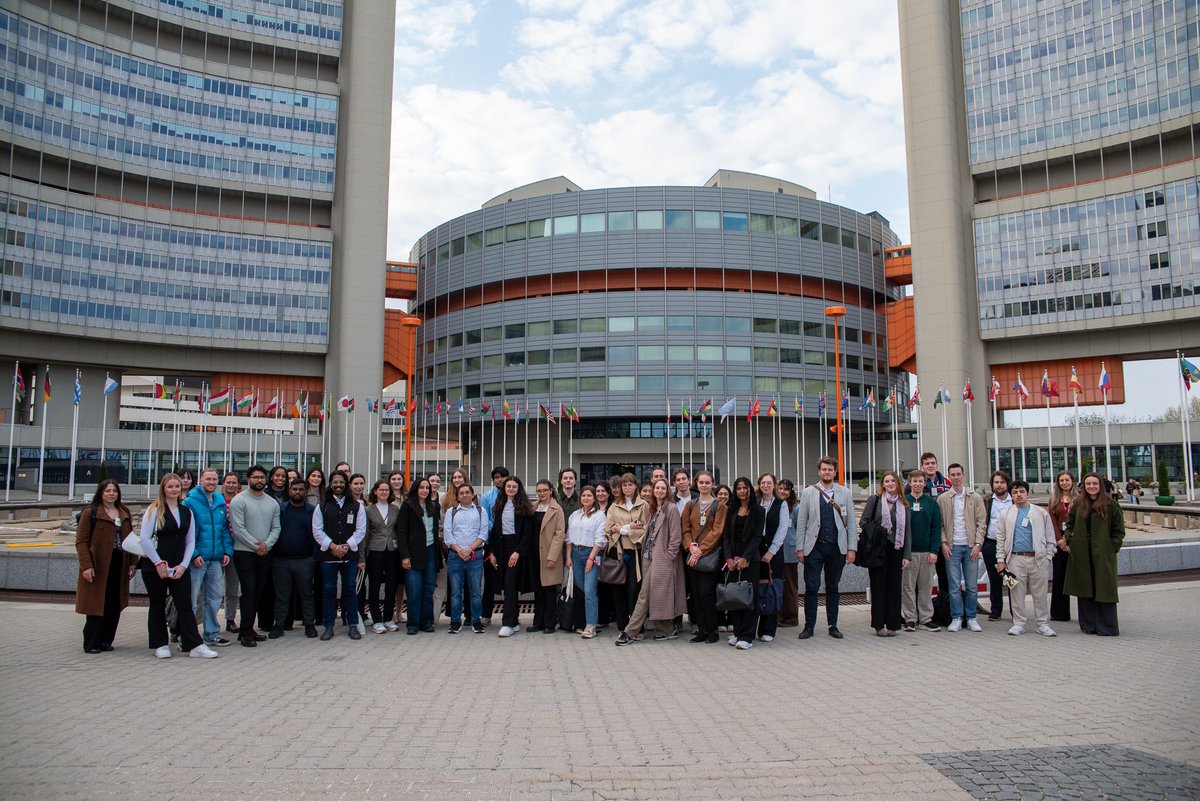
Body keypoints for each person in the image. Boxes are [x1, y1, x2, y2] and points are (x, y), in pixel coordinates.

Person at [138, 474, 218, 659]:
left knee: (185, 606)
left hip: (179, 566)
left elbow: (190, 541)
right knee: (157, 605)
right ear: (163, 489)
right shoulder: (154, 509)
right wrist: (158, 563)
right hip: (156, 566)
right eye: (170, 486)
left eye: (177, 486)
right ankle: (160, 644)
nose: (174, 489)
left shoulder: (186, 511)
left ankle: (194, 645)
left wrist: (183, 565)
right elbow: (144, 538)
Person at [794, 456, 857, 640]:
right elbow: (802, 522)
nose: (827, 472)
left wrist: (852, 548)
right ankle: (809, 626)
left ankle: (833, 625)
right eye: (824, 469)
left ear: (835, 472)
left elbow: (851, 522)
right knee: (811, 587)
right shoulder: (808, 493)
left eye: (830, 469)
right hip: (814, 547)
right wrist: (800, 548)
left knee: (833, 587)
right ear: (819, 471)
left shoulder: (845, 493)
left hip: (836, 547)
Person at [616, 478, 685, 645]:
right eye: (657, 488)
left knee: (644, 595)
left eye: (663, 488)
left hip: (661, 558)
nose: (659, 490)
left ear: (667, 491)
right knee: (652, 594)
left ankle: (630, 632)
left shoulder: (671, 509)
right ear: (653, 491)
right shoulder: (653, 508)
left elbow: (676, 538)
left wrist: (668, 558)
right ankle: (667, 630)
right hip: (647, 555)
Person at [75, 480, 137, 653]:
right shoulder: (91, 513)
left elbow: (131, 539)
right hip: (99, 564)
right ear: (100, 493)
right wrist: (86, 566)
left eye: (114, 491)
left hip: (119, 562)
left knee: (114, 603)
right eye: (108, 491)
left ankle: (106, 640)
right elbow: (81, 542)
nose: (111, 494)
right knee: (96, 603)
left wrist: (133, 562)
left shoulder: (123, 512)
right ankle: (92, 642)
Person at [1064, 473, 1125, 636]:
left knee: (1104, 588)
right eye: (1088, 484)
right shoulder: (1079, 504)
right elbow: (1069, 524)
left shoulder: (1110, 504)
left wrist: (1112, 547)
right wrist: (1070, 539)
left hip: (1102, 554)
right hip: (1082, 553)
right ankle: (1088, 625)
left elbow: (1119, 530)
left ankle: (1107, 626)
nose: (1091, 487)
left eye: (1094, 484)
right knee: (1085, 587)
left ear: (1100, 485)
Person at [996, 480, 1057, 637]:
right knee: (1016, 593)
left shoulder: (1040, 513)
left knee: (1040, 594)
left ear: (1027, 493)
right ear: (1011, 495)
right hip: (1015, 558)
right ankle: (1019, 623)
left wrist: (1048, 556)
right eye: (1015, 492)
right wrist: (1001, 560)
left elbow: (1050, 537)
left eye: (1022, 491)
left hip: (1038, 559)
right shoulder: (1006, 514)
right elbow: (1001, 538)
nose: (1019, 495)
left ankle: (1042, 624)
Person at [228, 465, 281, 647]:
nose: (259, 480)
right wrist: (256, 545)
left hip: (265, 552)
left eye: (262, 477)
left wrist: (267, 544)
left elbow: (276, 527)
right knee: (248, 591)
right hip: (244, 552)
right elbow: (238, 529)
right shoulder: (239, 501)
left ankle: (249, 629)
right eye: (255, 477)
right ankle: (245, 632)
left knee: (258, 591)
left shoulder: (272, 503)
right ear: (248, 479)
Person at [183, 467, 234, 648]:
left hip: (215, 559)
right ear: (201, 481)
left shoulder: (219, 500)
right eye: (208, 479)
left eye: (214, 479)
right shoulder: (190, 502)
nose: (212, 482)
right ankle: (186, 636)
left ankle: (211, 634)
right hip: (197, 559)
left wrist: (227, 551)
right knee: (191, 600)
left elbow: (224, 529)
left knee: (214, 599)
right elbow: (187, 531)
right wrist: (194, 554)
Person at [313, 471, 366, 640]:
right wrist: (333, 546)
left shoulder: (356, 505)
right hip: (328, 556)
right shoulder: (322, 505)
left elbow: (361, 530)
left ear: (346, 484)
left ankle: (352, 625)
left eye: (341, 482)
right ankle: (328, 626)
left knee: (350, 589)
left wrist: (346, 546)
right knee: (329, 589)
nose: (338, 485)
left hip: (349, 556)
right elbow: (317, 530)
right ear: (330, 484)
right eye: (335, 482)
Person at [937, 463, 987, 632]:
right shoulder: (943, 499)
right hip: (952, 547)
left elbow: (982, 523)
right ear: (948, 477)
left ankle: (971, 617)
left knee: (972, 586)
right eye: (953, 474)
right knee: (954, 586)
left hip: (971, 547)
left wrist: (978, 544)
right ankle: (956, 617)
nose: (956, 477)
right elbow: (939, 524)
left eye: (958, 474)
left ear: (963, 475)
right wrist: (943, 542)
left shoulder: (975, 497)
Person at [862, 470, 911, 637]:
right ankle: (878, 624)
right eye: (887, 481)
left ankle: (893, 624)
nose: (890, 484)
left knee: (894, 587)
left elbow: (907, 531)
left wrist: (906, 555)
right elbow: (864, 522)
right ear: (882, 484)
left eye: (893, 481)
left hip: (896, 549)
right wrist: (881, 531)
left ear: (897, 484)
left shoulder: (903, 504)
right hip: (878, 549)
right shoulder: (875, 500)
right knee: (878, 586)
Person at [681, 470, 726, 644]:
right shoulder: (690, 505)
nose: (704, 485)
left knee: (707, 593)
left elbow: (717, 531)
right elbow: (685, 529)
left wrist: (700, 550)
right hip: (692, 555)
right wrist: (691, 547)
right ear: (696, 483)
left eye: (707, 482)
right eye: (701, 482)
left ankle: (712, 630)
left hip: (709, 555)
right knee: (695, 595)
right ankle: (701, 630)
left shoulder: (719, 506)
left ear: (712, 484)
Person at [488, 476, 535, 637]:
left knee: (509, 583)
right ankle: (514, 621)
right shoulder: (499, 505)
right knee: (509, 587)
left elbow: (528, 534)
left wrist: (517, 552)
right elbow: (495, 531)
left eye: (514, 486)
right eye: (508, 486)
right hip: (501, 548)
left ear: (519, 488)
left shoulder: (524, 508)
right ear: (504, 488)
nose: (511, 489)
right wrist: (492, 552)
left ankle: (507, 624)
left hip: (517, 550)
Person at [271, 479, 318, 638]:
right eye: (295, 489)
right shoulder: (280, 509)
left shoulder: (311, 510)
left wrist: (314, 557)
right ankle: (279, 625)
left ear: (305, 491)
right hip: (281, 560)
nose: (297, 492)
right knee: (282, 595)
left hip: (305, 560)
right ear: (289, 490)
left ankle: (309, 625)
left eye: (300, 489)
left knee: (307, 594)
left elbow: (317, 534)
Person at [723, 477, 765, 650]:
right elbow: (726, 535)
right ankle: (738, 632)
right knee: (735, 596)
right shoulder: (731, 509)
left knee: (749, 597)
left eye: (744, 488)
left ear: (750, 490)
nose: (742, 491)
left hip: (750, 560)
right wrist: (729, 558)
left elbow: (757, 537)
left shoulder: (759, 511)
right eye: (738, 488)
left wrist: (745, 558)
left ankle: (747, 636)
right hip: (733, 560)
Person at [604, 473, 649, 634]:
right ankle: (622, 625)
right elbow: (609, 529)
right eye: (624, 485)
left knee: (635, 590)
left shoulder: (643, 505)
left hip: (636, 552)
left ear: (635, 486)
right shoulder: (614, 506)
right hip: (619, 552)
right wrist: (629, 527)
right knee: (619, 590)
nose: (627, 488)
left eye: (630, 484)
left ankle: (636, 626)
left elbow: (646, 528)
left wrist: (623, 529)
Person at [397, 476, 440, 634]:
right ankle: (413, 624)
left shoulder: (434, 506)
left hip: (431, 551)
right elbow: (401, 532)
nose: (425, 490)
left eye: (427, 488)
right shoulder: (407, 506)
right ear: (416, 489)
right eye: (422, 487)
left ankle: (426, 622)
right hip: (413, 553)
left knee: (428, 589)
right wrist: (404, 556)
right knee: (414, 590)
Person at [902, 470, 943, 632]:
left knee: (926, 587)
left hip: (927, 552)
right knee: (908, 587)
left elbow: (936, 528)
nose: (917, 484)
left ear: (925, 483)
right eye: (915, 481)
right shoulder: (904, 501)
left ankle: (926, 619)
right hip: (909, 553)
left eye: (920, 481)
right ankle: (910, 619)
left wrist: (934, 550)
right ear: (910, 483)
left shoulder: (932, 503)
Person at [444, 483, 488, 634]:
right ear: (457, 496)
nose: (464, 495)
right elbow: (448, 535)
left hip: (475, 556)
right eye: (461, 493)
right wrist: (459, 550)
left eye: (467, 492)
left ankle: (476, 621)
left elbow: (483, 534)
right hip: (455, 556)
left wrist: (469, 549)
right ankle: (455, 622)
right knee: (456, 592)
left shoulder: (481, 511)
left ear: (473, 494)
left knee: (475, 591)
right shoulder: (451, 512)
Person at [567, 486, 606, 639]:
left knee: (590, 591)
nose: (586, 498)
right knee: (581, 590)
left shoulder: (599, 516)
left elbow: (600, 539)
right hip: (576, 554)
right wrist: (568, 557)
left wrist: (591, 558)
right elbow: (568, 538)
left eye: (589, 495)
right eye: (583, 495)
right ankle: (584, 622)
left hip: (592, 554)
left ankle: (591, 626)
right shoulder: (574, 515)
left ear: (594, 498)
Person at [754, 472, 789, 642]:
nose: (766, 486)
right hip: (756, 550)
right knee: (756, 588)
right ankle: (752, 627)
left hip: (774, 552)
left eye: (769, 483)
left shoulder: (781, 504)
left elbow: (783, 529)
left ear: (774, 485)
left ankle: (768, 629)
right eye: (763, 483)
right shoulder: (755, 503)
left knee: (771, 589)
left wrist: (771, 551)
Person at [363, 479, 401, 633]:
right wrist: (362, 555)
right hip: (375, 550)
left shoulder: (395, 509)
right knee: (374, 585)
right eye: (381, 490)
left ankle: (388, 618)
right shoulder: (368, 510)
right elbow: (365, 534)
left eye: (386, 490)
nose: (384, 492)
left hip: (392, 550)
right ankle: (377, 620)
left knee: (391, 585)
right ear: (375, 491)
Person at [529, 480, 566, 633]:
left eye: (545, 490)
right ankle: (537, 622)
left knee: (550, 590)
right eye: (539, 490)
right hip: (534, 554)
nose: (542, 493)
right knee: (538, 590)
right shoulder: (533, 507)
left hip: (549, 555)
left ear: (551, 490)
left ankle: (549, 623)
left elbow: (559, 534)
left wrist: (552, 557)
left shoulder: (557, 509)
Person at [1047, 470, 1078, 622]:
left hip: (1076, 540)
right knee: (1059, 578)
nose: (1064, 483)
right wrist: (1060, 540)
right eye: (1061, 480)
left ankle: (1086, 614)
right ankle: (1059, 613)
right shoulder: (1054, 499)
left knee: (1079, 577)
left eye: (1067, 480)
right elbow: (1052, 521)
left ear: (1072, 481)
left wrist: (1069, 539)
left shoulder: (1079, 499)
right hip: (1059, 541)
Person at [982, 470, 1014, 621]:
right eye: (996, 482)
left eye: (1002, 482)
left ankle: (1015, 610)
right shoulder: (987, 501)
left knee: (1011, 578)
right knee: (994, 578)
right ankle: (996, 609)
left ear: (1007, 484)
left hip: (1011, 545)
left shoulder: (1013, 500)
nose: (999, 485)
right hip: (991, 543)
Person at [777, 479, 801, 628]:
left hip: (789, 552)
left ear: (791, 491)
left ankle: (791, 616)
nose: (783, 492)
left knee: (789, 586)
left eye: (786, 489)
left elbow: (800, 529)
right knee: (777, 585)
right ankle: (778, 614)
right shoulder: (775, 505)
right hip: (775, 551)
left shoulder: (796, 508)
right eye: (780, 488)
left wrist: (799, 548)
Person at [221, 471, 242, 634]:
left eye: (234, 482)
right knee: (211, 589)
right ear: (223, 483)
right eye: (228, 482)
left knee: (233, 587)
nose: (231, 485)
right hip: (218, 548)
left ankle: (230, 619)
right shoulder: (216, 500)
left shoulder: (240, 501)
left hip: (236, 548)